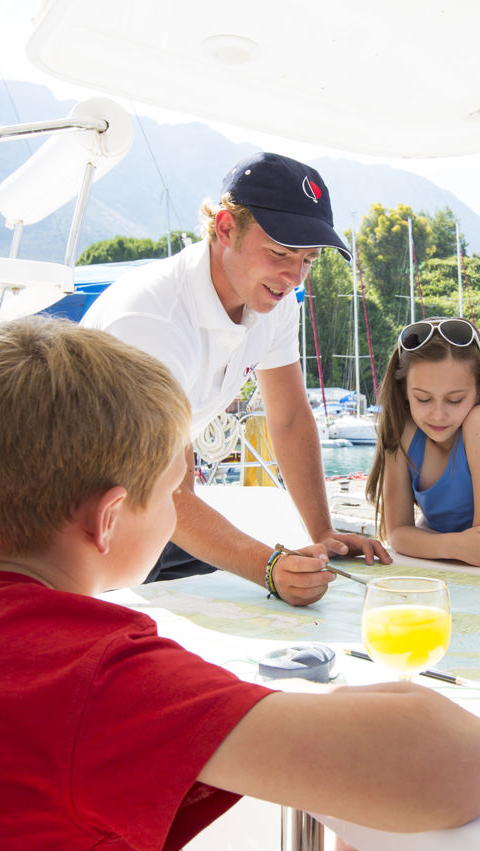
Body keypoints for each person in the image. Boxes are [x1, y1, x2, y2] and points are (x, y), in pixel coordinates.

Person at [0, 318, 480, 851]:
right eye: (175, 492)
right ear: (110, 517)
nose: (180, 509)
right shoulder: (97, 678)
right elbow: (466, 765)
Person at [81, 152, 389, 606]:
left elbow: (287, 417)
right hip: (87, 524)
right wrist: (269, 568)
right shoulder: (152, 320)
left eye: (308, 260)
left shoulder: (277, 300)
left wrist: (323, 532)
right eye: (281, 253)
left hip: (158, 513)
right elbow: (162, 485)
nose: (292, 277)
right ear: (226, 228)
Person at [366, 316, 480, 568]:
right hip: (453, 571)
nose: (438, 415)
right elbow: (397, 533)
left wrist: (427, 542)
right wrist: (455, 545)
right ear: (404, 390)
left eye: (455, 399)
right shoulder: (402, 430)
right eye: (423, 399)